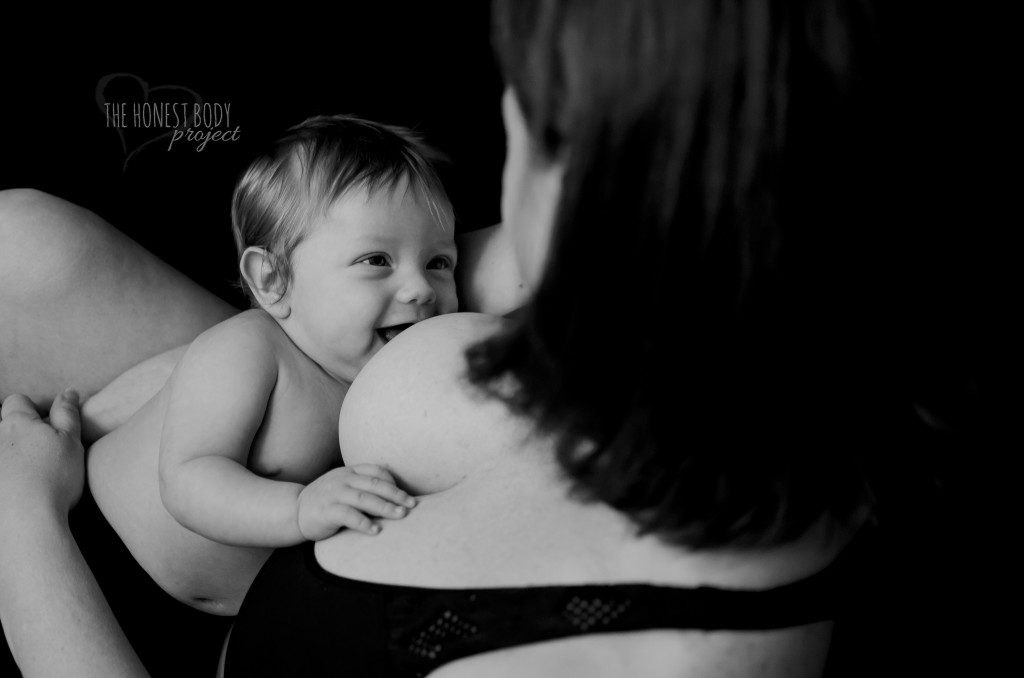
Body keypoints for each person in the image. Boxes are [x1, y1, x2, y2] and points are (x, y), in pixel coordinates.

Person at [1, 0, 901, 676]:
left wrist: (25, 517)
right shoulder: (667, 310)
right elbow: (219, 407)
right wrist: (133, 401)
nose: (433, 286)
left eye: (539, 136)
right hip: (186, 495)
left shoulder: (636, 641)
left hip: (128, 592)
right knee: (23, 243)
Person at [85, 114, 451, 619]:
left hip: (233, 612)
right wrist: (299, 509)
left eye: (439, 262)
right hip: (107, 556)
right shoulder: (250, 352)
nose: (422, 289)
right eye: (376, 261)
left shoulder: (395, 376)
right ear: (272, 279)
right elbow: (189, 479)